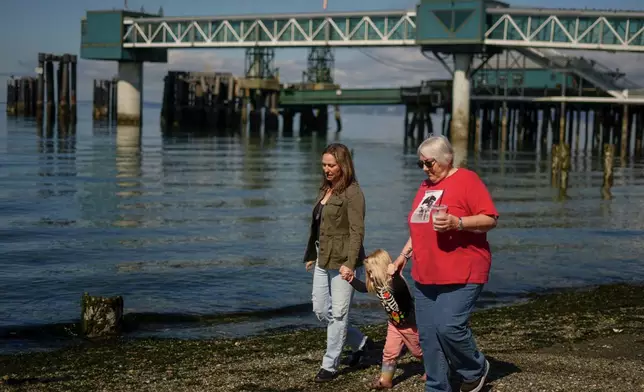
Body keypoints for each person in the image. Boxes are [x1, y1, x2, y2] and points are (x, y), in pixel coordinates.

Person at [389, 135, 499, 392]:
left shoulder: (467, 180)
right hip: (426, 275)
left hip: (463, 271)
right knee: (428, 336)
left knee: (449, 326)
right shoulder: (425, 187)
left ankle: (475, 369)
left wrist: (457, 223)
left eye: (429, 163)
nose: (425, 169)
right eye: (421, 164)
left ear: (447, 159)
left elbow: (490, 219)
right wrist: (402, 257)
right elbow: (419, 229)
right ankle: (438, 386)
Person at [302, 143, 373, 383]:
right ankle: (360, 343)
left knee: (339, 315)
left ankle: (329, 365)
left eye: (331, 165)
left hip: (344, 261)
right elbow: (319, 225)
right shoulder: (326, 189)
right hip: (323, 258)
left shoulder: (353, 193)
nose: (326, 169)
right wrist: (311, 254)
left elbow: (357, 232)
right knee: (321, 310)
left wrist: (351, 264)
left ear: (343, 165)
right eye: (324, 165)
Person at [344, 248, 425, 389]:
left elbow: (405, 297)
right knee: (389, 352)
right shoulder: (377, 284)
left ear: (381, 267)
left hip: (409, 325)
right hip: (394, 325)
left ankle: (433, 369)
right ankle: (385, 379)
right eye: (368, 272)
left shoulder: (395, 282)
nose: (370, 274)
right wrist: (351, 279)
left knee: (418, 351)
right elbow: (364, 288)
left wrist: (395, 273)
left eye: (371, 271)